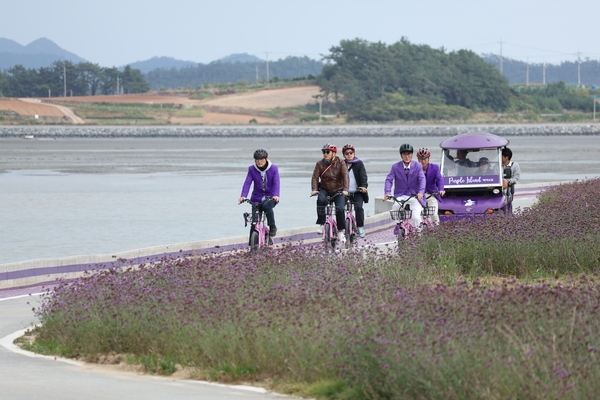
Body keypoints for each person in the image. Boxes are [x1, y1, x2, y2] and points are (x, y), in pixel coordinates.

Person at [311, 143, 349, 243]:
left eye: (327, 152)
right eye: (323, 152)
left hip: (339, 190)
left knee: (340, 209)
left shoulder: (340, 162)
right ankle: (322, 224)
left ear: (333, 153)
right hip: (325, 189)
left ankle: (341, 231)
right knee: (320, 201)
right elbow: (315, 177)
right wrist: (314, 189)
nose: (325, 154)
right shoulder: (319, 164)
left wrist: (345, 189)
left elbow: (345, 176)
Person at [238, 149, 280, 237]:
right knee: (254, 223)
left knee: (266, 206)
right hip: (257, 197)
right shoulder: (252, 169)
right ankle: (252, 247)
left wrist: (276, 195)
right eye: (257, 160)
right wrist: (243, 196)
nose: (259, 162)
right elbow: (247, 182)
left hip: (271, 197)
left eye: (261, 160)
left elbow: (276, 182)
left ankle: (272, 226)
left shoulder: (274, 168)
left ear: (266, 159)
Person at [384, 143, 426, 231]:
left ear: (412, 155)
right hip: (400, 195)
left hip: (415, 196)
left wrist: (421, 192)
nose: (407, 156)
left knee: (416, 217)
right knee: (395, 207)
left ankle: (419, 235)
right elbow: (389, 180)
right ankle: (398, 224)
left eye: (409, 154)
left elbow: (422, 179)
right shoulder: (395, 167)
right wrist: (387, 192)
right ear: (401, 155)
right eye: (404, 154)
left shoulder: (418, 166)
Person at [342, 144, 369, 238]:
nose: (349, 155)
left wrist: (363, 186)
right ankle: (340, 230)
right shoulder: (341, 164)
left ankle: (360, 227)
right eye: (346, 153)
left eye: (351, 153)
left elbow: (363, 176)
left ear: (354, 153)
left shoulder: (359, 163)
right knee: (339, 207)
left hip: (357, 191)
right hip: (344, 192)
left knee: (358, 208)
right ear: (344, 155)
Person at [416, 147, 445, 225]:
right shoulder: (415, 169)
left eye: (425, 159)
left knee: (434, 214)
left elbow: (439, 179)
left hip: (431, 194)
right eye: (421, 159)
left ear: (429, 158)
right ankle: (418, 233)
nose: (423, 161)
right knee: (417, 215)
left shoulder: (434, 167)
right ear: (418, 160)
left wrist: (441, 189)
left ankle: (437, 232)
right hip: (419, 195)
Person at [502, 147, 521, 213]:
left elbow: (516, 178)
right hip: (499, 188)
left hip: (509, 188)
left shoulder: (515, 165)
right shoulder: (498, 165)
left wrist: (507, 181)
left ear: (506, 157)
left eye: (501, 156)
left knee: (508, 205)